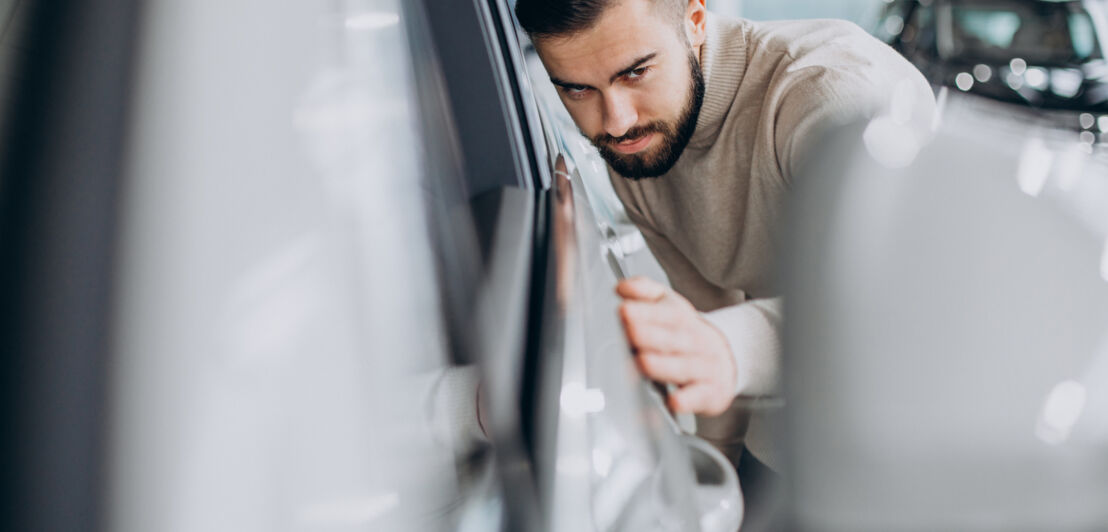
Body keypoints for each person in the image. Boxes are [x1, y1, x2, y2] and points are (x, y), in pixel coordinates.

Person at [513, 0, 935, 474]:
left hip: (919, 452)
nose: (615, 122)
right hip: (783, 442)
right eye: (577, 90)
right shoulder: (639, 152)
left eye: (635, 74)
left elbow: (902, 300)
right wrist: (713, 473)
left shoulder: (832, 92)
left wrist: (729, 348)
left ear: (694, 22)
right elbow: (709, 329)